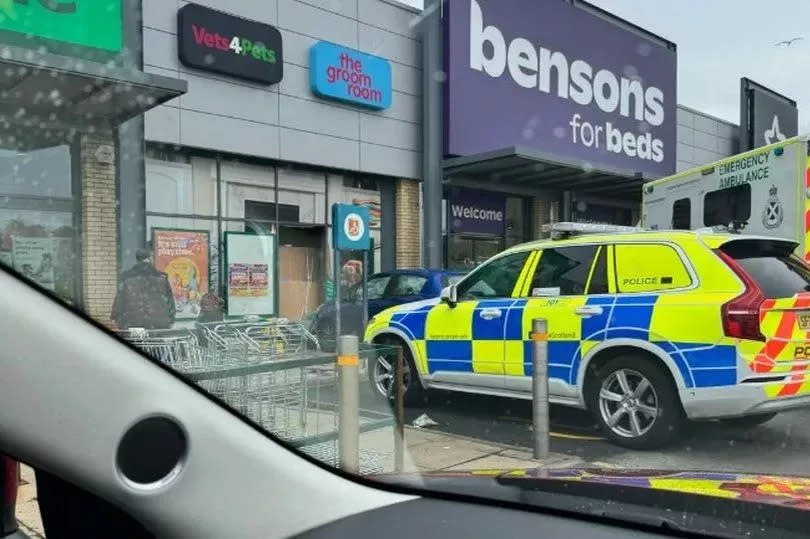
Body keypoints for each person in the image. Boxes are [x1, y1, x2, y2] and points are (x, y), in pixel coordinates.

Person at [111, 248, 176, 330]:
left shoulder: (127, 277)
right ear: (149, 258)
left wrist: (115, 318)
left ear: (138, 260)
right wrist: (171, 320)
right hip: (159, 325)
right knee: (157, 343)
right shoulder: (161, 278)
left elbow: (119, 300)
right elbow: (170, 302)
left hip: (132, 324)